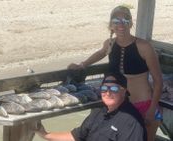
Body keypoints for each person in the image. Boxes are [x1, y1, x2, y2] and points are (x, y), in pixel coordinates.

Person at [68, 5, 162, 141]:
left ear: (131, 23)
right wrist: (82, 64)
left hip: (144, 105)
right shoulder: (110, 44)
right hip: (119, 106)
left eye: (125, 20)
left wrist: (152, 109)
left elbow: (158, 80)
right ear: (111, 25)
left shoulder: (145, 47)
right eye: (116, 21)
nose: (121, 25)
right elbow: (100, 53)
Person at [34, 72, 147, 141]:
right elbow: (76, 137)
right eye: (104, 88)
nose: (108, 93)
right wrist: (45, 135)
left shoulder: (132, 122)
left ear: (124, 91)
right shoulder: (99, 111)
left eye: (113, 89)